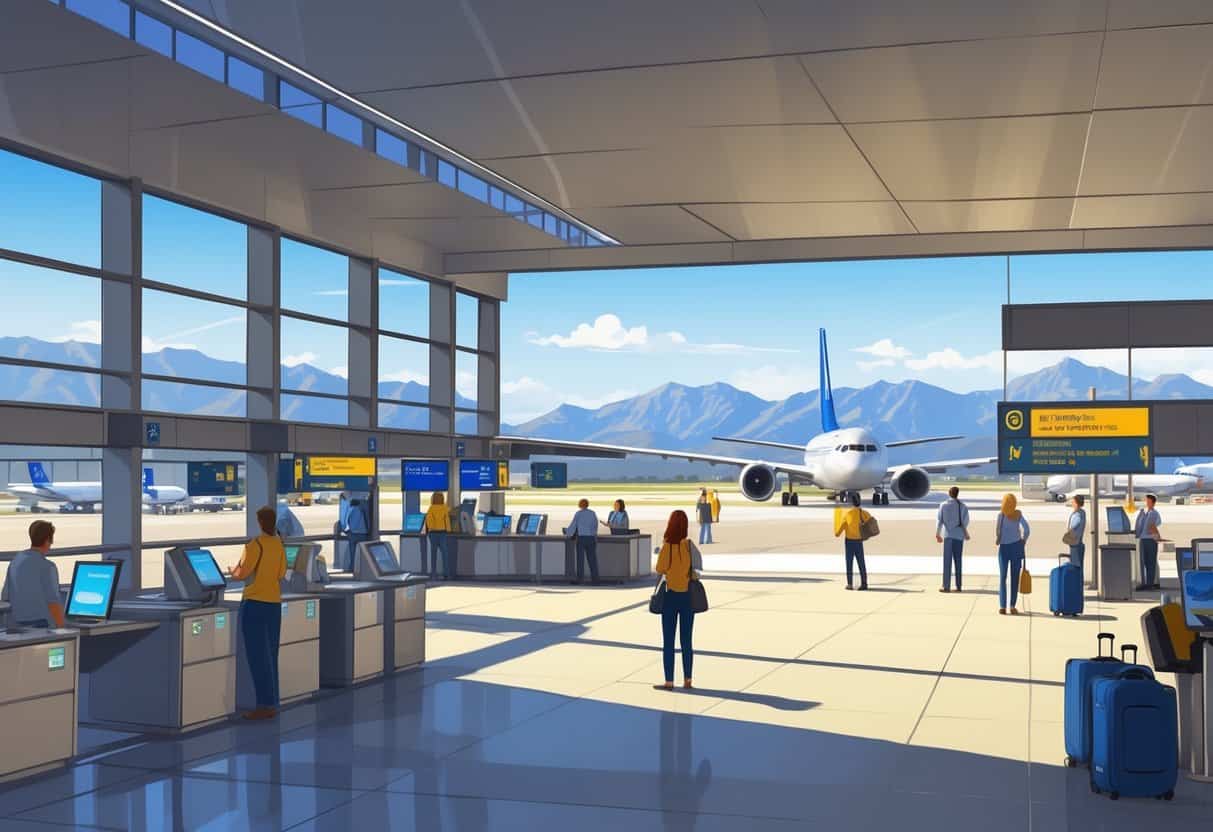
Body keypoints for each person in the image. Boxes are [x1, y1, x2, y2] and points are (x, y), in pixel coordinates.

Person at [230, 506, 287, 720]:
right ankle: (272, 701)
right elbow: (281, 572)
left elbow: (242, 572)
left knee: (257, 656)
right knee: (271, 654)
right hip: (274, 604)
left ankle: (264, 704)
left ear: (260, 522)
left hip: (254, 603)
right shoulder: (278, 544)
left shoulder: (255, 544)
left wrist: (232, 571)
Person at [654, 509, 703, 690]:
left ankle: (669, 681)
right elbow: (698, 568)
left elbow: (659, 568)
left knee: (668, 641)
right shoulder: (689, 546)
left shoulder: (667, 546)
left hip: (670, 596)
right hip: (687, 597)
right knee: (686, 640)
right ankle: (688, 680)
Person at [0, 520, 64, 629]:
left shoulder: (16, 560)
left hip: (16, 626)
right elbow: (53, 603)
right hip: (42, 625)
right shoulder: (48, 567)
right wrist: (63, 628)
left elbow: (5, 596)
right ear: (48, 540)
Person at [995, 493, 1031, 615]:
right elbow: (1027, 529)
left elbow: (997, 532)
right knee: (1015, 578)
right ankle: (1012, 606)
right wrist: (1023, 540)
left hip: (1004, 548)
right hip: (1016, 547)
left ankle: (1002, 606)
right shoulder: (1018, 515)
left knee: (1003, 577)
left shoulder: (1000, 515)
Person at [935, 486, 970, 593]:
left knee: (947, 561)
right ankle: (958, 586)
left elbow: (939, 521)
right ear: (957, 493)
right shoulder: (963, 506)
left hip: (948, 535)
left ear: (949, 493)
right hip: (959, 536)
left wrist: (938, 534)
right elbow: (966, 521)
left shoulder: (943, 505)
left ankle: (946, 586)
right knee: (958, 561)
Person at [833, 493, 870, 590]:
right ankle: (864, 583)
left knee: (849, 563)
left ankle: (850, 584)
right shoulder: (864, 513)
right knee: (861, 562)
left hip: (849, 542)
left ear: (851, 502)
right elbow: (870, 522)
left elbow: (837, 533)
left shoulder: (847, 515)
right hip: (859, 541)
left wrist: (837, 516)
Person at [565, 498, 600, 584]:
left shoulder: (578, 513)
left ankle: (580, 579)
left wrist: (567, 532)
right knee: (592, 559)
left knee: (580, 560)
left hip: (581, 538)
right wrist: (594, 534)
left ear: (580, 505)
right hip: (591, 538)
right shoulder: (592, 513)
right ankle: (595, 580)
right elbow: (595, 525)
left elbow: (573, 525)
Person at [422, 491, 454, 579]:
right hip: (442, 533)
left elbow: (429, 520)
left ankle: (433, 573)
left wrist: (431, 529)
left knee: (433, 553)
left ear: (433, 499)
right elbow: (447, 520)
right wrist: (449, 530)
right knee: (445, 553)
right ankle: (446, 573)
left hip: (433, 533)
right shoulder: (444, 508)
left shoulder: (431, 508)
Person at [1134, 493, 1162, 591]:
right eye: (1146, 501)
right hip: (1143, 539)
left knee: (1151, 562)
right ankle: (1146, 583)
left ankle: (1150, 584)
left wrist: (1157, 536)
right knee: (1145, 562)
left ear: (1153, 502)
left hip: (1150, 539)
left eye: (1148, 501)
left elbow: (1152, 526)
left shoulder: (1154, 513)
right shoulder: (1145, 513)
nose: (1147, 503)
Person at [1066, 495, 1087, 568]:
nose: (1072, 503)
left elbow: (1072, 526)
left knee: (1075, 565)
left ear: (1076, 503)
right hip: (1078, 541)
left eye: (1073, 502)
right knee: (1079, 564)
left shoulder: (1077, 514)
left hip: (1075, 542)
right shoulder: (1082, 512)